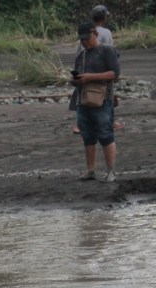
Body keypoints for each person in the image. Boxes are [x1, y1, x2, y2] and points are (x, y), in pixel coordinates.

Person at [72, 21, 120, 183]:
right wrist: (75, 80)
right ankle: (91, 170)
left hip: (103, 100)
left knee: (106, 134)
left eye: (87, 39)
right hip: (83, 100)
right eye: (82, 40)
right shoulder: (81, 55)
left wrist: (90, 77)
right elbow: (77, 76)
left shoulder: (108, 50)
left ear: (96, 35)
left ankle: (111, 171)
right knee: (88, 136)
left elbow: (114, 74)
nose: (84, 42)